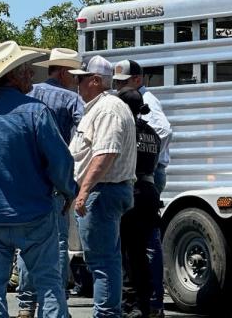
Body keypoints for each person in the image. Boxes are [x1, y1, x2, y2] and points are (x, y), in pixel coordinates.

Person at [0, 41, 75, 318]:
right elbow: (60, 161)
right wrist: (68, 191)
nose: (32, 75)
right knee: (48, 282)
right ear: (13, 75)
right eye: (27, 70)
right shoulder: (35, 111)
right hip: (32, 211)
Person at [16, 47, 85, 318]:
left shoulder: (26, 93)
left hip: (26, 180)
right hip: (56, 180)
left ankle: (25, 303)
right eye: (74, 75)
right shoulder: (71, 99)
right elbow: (81, 137)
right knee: (56, 242)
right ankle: (55, 300)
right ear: (65, 72)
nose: (75, 81)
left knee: (26, 242)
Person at [70, 55, 136, 318]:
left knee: (102, 261)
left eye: (81, 79)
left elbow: (105, 153)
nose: (77, 84)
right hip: (105, 191)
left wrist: (84, 190)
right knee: (105, 259)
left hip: (103, 192)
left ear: (95, 81)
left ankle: (107, 314)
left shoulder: (107, 109)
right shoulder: (104, 107)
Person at [112, 60, 172, 318]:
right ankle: (147, 302)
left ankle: (140, 301)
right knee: (143, 245)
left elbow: (165, 130)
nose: (118, 88)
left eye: (123, 83)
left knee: (132, 248)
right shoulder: (149, 131)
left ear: (138, 79)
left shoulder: (132, 127)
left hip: (136, 186)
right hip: (147, 186)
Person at [116, 88, 162, 318]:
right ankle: (147, 302)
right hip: (149, 191)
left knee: (126, 253)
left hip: (131, 192)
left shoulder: (125, 130)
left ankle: (130, 303)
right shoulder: (152, 133)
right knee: (141, 252)